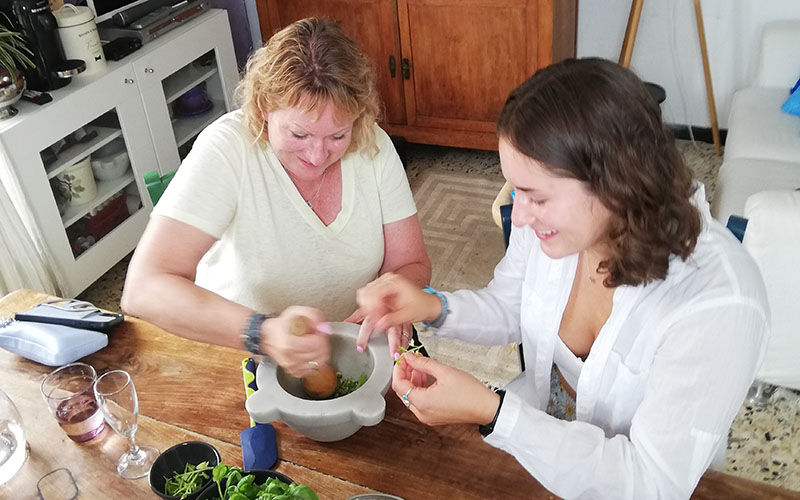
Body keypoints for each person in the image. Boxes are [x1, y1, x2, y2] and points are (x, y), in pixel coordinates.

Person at [355, 58, 769, 499]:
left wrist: (493, 412)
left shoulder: (720, 303)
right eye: (515, 190)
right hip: (535, 452)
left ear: (616, 184)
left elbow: (651, 483)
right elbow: (512, 305)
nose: (522, 216)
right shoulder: (557, 229)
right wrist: (431, 305)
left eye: (537, 197)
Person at [121, 18, 431, 378]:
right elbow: (143, 289)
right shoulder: (227, 150)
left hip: (360, 341)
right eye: (299, 134)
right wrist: (262, 333)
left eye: (336, 136)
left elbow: (411, 262)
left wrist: (393, 300)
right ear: (262, 109)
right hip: (244, 352)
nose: (317, 156)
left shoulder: (372, 144)